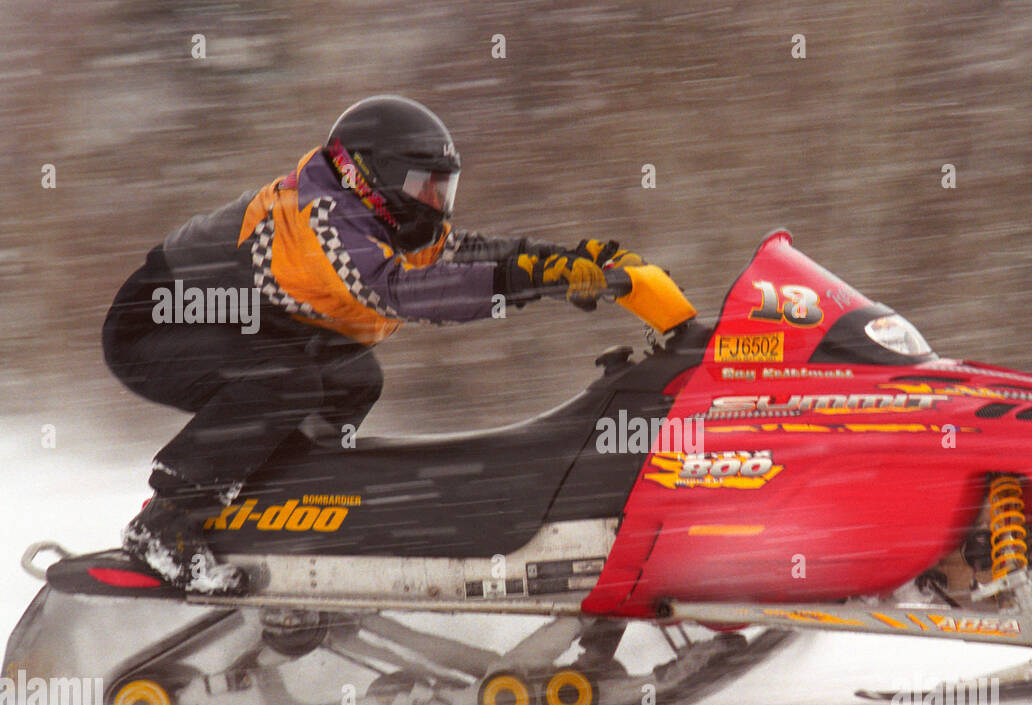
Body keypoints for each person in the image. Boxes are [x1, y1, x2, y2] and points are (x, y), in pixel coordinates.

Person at [102, 94, 640, 594]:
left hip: (243, 327)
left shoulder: (380, 216)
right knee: (286, 384)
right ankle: (165, 521)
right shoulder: (320, 219)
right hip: (156, 324)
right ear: (368, 175)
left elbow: (464, 253)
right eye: (422, 186)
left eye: (441, 188)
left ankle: (283, 503)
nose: (435, 202)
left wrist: (556, 261)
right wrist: (518, 282)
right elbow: (398, 290)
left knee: (355, 378)